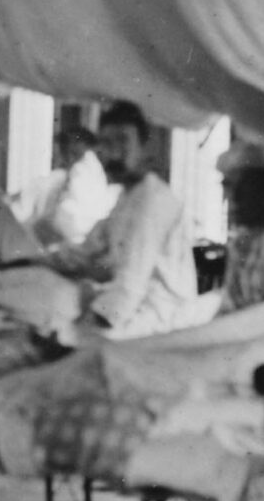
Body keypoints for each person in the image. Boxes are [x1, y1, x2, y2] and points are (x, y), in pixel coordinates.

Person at [52, 100, 197, 338]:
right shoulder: (127, 197)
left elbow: (130, 286)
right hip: (134, 304)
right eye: (107, 143)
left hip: (162, 315)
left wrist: (83, 329)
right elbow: (88, 249)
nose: (114, 152)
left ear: (145, 147)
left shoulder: (154, 199)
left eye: (123, 141)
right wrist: (41, 260)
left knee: (69, 340)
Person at [15, 126, 119, 248]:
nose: (69, 159)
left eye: (76, 154)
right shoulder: (50, 181)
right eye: (65, 154)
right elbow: (20, 210)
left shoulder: (104, 186)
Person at [219, 155, 264, 311]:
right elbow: (229, 306)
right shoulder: (240, 240)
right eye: (226, 186)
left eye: (242, 189)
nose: (231, 199)